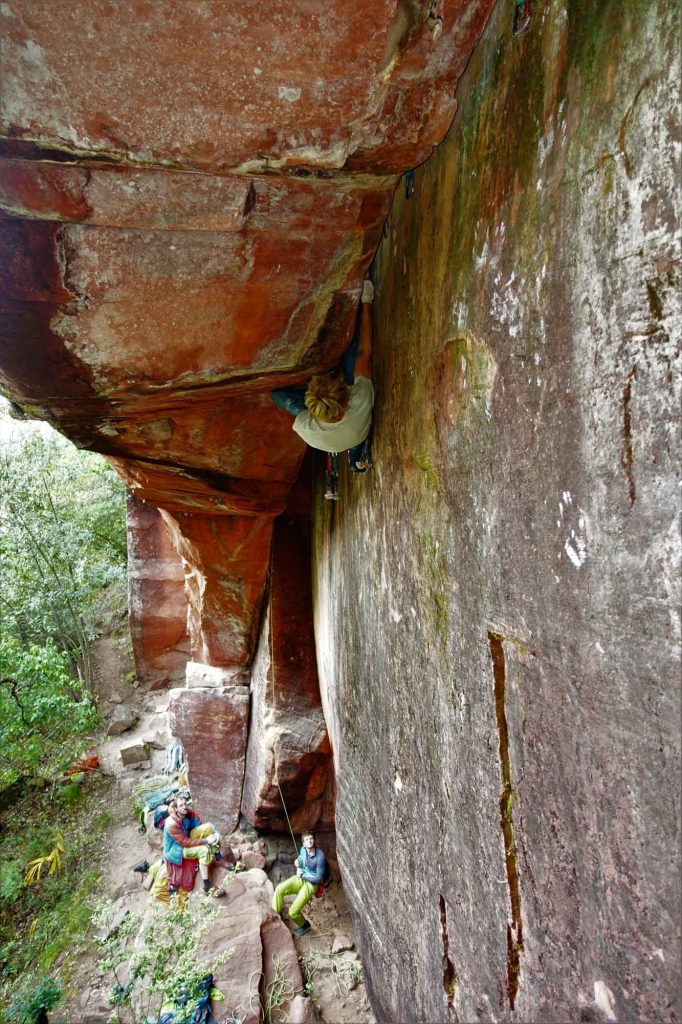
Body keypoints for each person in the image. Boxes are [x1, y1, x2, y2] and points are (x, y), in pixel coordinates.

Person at [271, 280, 375, 472]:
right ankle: (356, 449)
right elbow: (364, 353)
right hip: (355, 431)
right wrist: (366, 300)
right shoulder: (360, 399)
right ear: (345, 394)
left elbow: (293, 406)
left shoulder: (306, 427)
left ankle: (354, 448)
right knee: (352, 347)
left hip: (339, 437)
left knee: (276, 396)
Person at [162, 795, 224, 899]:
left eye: (185, 803)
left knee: (208, 827)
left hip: (185, 837)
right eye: (181, 805)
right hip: (176, 849)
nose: (184, 807)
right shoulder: (171, 824)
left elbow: (200, 827)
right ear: (176, 809)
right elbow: (184, 842)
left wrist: (215, 833)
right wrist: (205, 840)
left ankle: (218, 857)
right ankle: (207, 887)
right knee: (204, 850)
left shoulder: (188, 813)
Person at [272, 831, 328, 936]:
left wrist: (302, 875)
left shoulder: (320, 856)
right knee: (279, 889)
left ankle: (305, 925)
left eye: (311, 839)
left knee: (293, 912)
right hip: (301, 878)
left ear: (314, 840)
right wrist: (297, 862)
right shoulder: (303, 849)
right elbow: (301, 860)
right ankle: (276, 915)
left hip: (312, 884)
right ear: (303, 843)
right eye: (307, 840)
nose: (309, 841)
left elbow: (318, 879)